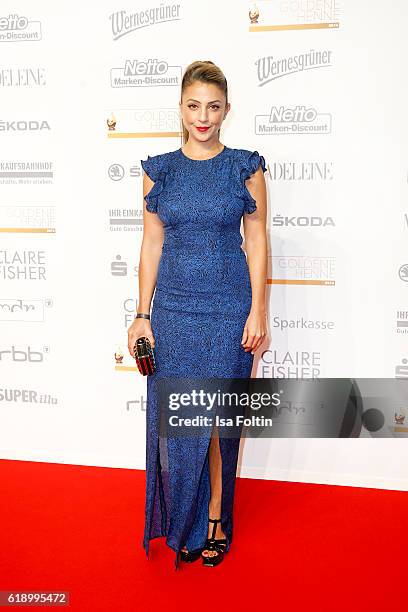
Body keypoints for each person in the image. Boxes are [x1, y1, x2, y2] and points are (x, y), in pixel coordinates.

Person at [127, 60, 268, 569]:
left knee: (218, 421)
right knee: (184, 419)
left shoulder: (245, 166)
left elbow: (256, 238)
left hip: (230, 309)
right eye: (193, 106)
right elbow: (151, 244)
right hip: (175, 311)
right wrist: (140, 314)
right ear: (181, 108)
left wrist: (258, 310)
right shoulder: (157, 170)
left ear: (227, 110)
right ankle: (184, 520)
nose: (202, 116)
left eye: (213, 106)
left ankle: (216, 516)